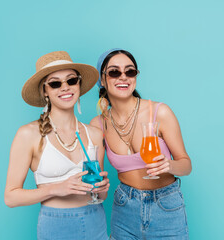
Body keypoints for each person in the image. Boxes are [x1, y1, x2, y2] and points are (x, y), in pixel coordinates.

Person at [4, 51, 110, 239]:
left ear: (79, 84)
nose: (65, 88)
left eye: (71, 80)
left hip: (95, 221)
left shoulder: (94, 134)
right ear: (45, 90)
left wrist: (103, 189)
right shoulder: (28, 134)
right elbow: (11, 197)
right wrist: (56, 189)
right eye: (55, 83)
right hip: (55, 225)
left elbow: (100, 196)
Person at [90, 48, 192, 239]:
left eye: (130, 71)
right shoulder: (98, 124)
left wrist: (169, 165)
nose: (123, 77)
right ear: (102, 80)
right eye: (114, 72)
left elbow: (186, 165)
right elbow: (98, 181)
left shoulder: (159, 112)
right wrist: (95, 188)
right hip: (124, 207)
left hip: (166, 206)